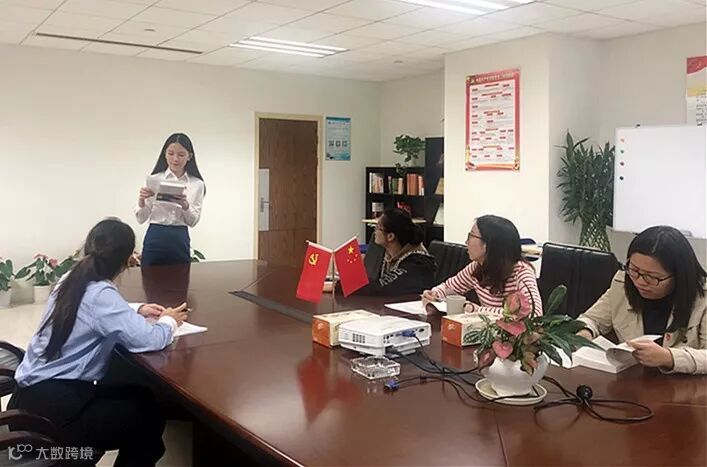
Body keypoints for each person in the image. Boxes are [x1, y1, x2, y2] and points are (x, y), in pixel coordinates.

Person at [9, 219, 188, 466]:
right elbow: (149, 339)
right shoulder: (101, 293)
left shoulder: (72, 278)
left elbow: (96, 310)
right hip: (52, 419)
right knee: (148, 420)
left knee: (143, 397)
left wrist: (136, 309)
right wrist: (169, 321)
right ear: (127, 260)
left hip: (28, 402)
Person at [577, 226, 706, 375]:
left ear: (679, 275)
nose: (640, 282)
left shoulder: (702, 297)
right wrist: (585, 332)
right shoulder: (623, 283)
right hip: (633, 380)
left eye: (652, 277)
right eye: (634, 270)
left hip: (686, 385)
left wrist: (669, 357)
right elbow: (592, 319)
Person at [422, 214, 542, 315]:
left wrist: (477, 310)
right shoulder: (476, 267)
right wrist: (434, 294)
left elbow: (534, 314)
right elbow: (449, 287)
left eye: (471, 236)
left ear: (487, 244)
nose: (466, 242)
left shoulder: (521, 272)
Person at [136, 133, 205, 266]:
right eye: (171, 153)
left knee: (181, 276)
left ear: (189, 156)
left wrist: (185, 205)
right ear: (165, 154)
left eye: (181, 155)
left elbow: (193, 222)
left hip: (179, 236)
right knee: (149, 276)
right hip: (155, 234)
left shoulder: (197, 184)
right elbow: (141, 219)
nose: (175, 159)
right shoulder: (154, 179)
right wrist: (141, 200)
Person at [352, 208, 436, 295]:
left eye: (378, 227)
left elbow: (382, 287)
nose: (375, 231)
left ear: (390, 236)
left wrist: (350, 285)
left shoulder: (417, 263)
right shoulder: (387, 253)